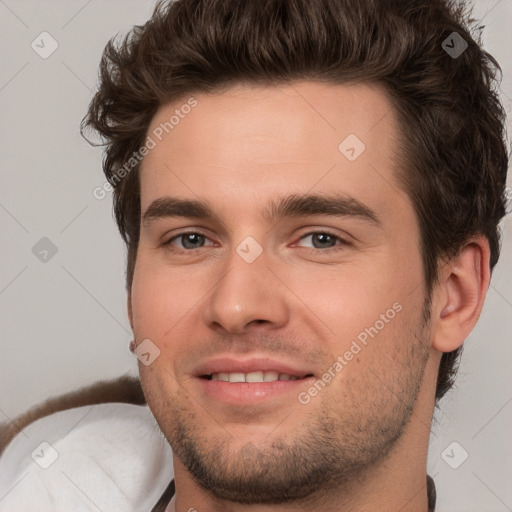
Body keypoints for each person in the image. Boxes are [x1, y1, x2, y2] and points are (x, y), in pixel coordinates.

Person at [0, 0, 508, 510]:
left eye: (320, 239)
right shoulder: (46, 478)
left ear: (454, 295)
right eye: (190, 239)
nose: (236, 306)